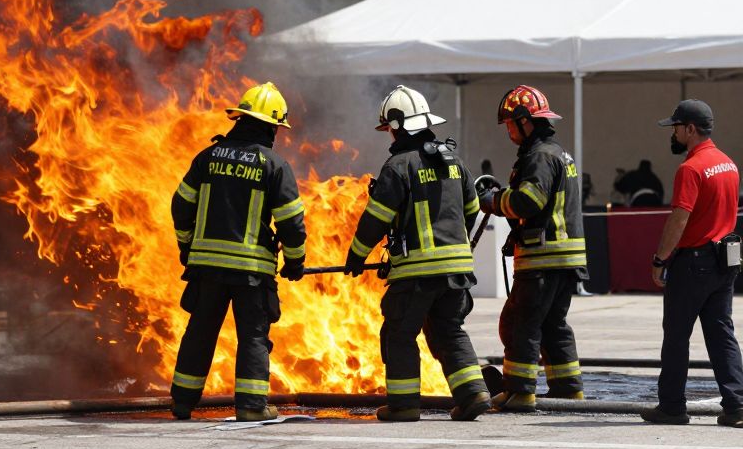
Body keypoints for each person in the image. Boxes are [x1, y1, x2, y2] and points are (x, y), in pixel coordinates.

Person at [343, 85, 490, 422]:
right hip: (457, 271)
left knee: (399, 333)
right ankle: (473, 394)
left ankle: (404, 405)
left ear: (396, 126)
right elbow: (471, 208)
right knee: (448, 331)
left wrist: (356, 255)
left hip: (416, 274)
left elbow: (376, 218)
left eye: (390, 130)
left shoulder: (398, 166)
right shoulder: (454, 161)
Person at [169, 82, 307, 421]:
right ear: (271, 125)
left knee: (200, 332)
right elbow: (290, 222)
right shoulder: (274, 165)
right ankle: (251, 407)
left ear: (241, 118)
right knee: (254, 337)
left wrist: (187, 247)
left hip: (206, 270)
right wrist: (295, 260)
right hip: (251, 272)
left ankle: (182, 402)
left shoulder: (207, 157)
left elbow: (181, 205)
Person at [480, 85, 587, 411]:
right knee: (554, 326)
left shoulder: (539, 156)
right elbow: (548, 208)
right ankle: (568, 390)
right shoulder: (558, 153)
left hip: (543, 260)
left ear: (526, 121)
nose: (509, 131)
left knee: (519, 324)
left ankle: (520, 392)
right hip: (565, 260)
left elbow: (530, 200)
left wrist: (494, 201)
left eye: (511, 124)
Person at [643, 99, 743, 427]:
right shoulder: (728, 164)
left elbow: (679, 220)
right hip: (724, 262)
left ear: (690, 129)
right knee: (721, 333)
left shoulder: (691, 168)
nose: (672, 133)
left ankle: (672, 407)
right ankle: (737, 405)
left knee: (676, 335)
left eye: (676, 127)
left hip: (694, 263)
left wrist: (660, 259)